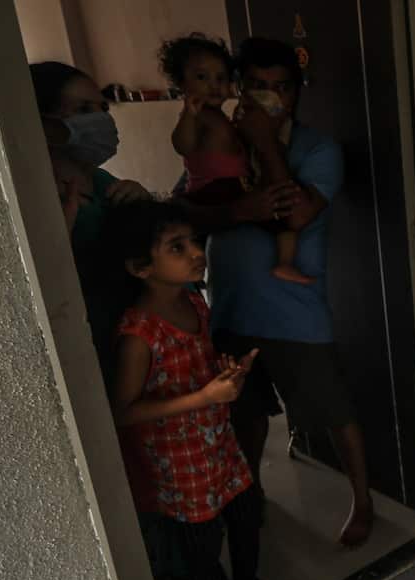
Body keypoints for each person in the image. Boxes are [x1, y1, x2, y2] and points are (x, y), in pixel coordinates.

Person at [186, 37, 375, 547]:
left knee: (336, 412)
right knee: (243, 418)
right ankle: (253, 498)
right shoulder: (217, 141)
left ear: (295, 94)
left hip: (296, 312)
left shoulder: (318, 150)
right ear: (239, 88)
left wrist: (267, 144)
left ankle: (364, 500)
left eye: (281, 88)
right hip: (229, 307)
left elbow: (297, 212)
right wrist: (236, 211)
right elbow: (189, 211)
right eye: (257, 86)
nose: (271, 96)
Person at [108, 199, 297, 580]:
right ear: (140, 268)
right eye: (177, 247)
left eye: (194, 241)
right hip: (177, 461)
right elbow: (122, 411)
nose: (196, 251)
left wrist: (226, 376)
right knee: (202, 545)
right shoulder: (139, 334)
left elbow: (194, 365)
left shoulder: (195, 303)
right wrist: (203, 396)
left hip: (215, 442)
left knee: (247, 511)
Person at [30, 61, 151, 385]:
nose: (101, 120)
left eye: (102, 107)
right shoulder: (36, 192)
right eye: (84, 109)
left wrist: (143, 204)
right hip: (93, 346)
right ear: (46, 123)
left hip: (136, 338)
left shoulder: (99, 180)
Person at [159, 33, 312, 286]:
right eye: (201, 78)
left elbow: (296, 213)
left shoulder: (233, 121)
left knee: (283, 222)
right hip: (213, 190)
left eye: (221, 78)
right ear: (182, 85)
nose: (214, 86)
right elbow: (182, 147)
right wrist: (188, 113)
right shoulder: (199, 118)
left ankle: (285, 263)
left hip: (234, 188)